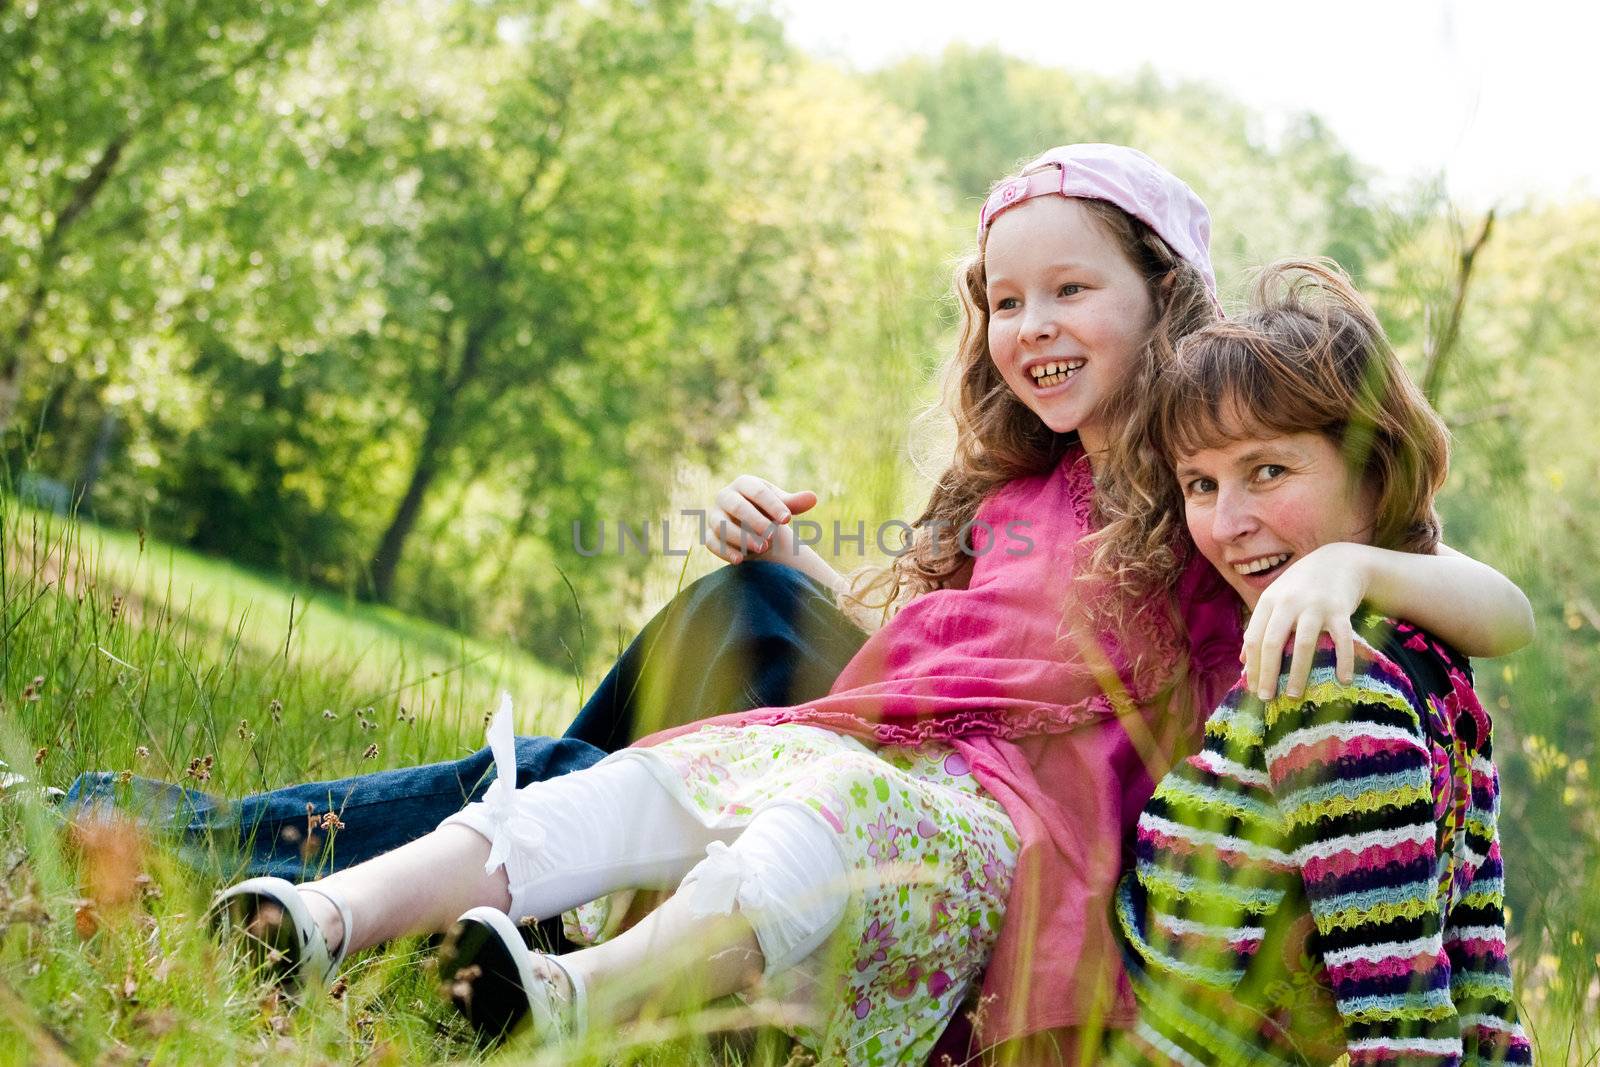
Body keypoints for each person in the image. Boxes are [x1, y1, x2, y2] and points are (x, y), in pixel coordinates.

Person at [211, 145, 1532, 1065]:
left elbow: (1494, 607)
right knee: (635, 773)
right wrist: (795, 563)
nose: (1032, 323)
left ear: (1166, 297)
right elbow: (934, 652)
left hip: (1005, 848)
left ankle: (558, 993)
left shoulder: (1207, 503)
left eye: (1072, 288)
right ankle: (325, 913)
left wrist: (1346, 566)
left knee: (808, 804)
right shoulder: (1023, 489)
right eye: (1006, 300)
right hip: (897, 760)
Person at [1107, 261, 1532, 1065]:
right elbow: (1462, 997)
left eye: (1268, 470)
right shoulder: (1418, 673)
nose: (1228, 522)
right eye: (1199, 482)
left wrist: (1350, 565)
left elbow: (1413, 1007)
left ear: (1377, 472)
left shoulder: (1340, 679)